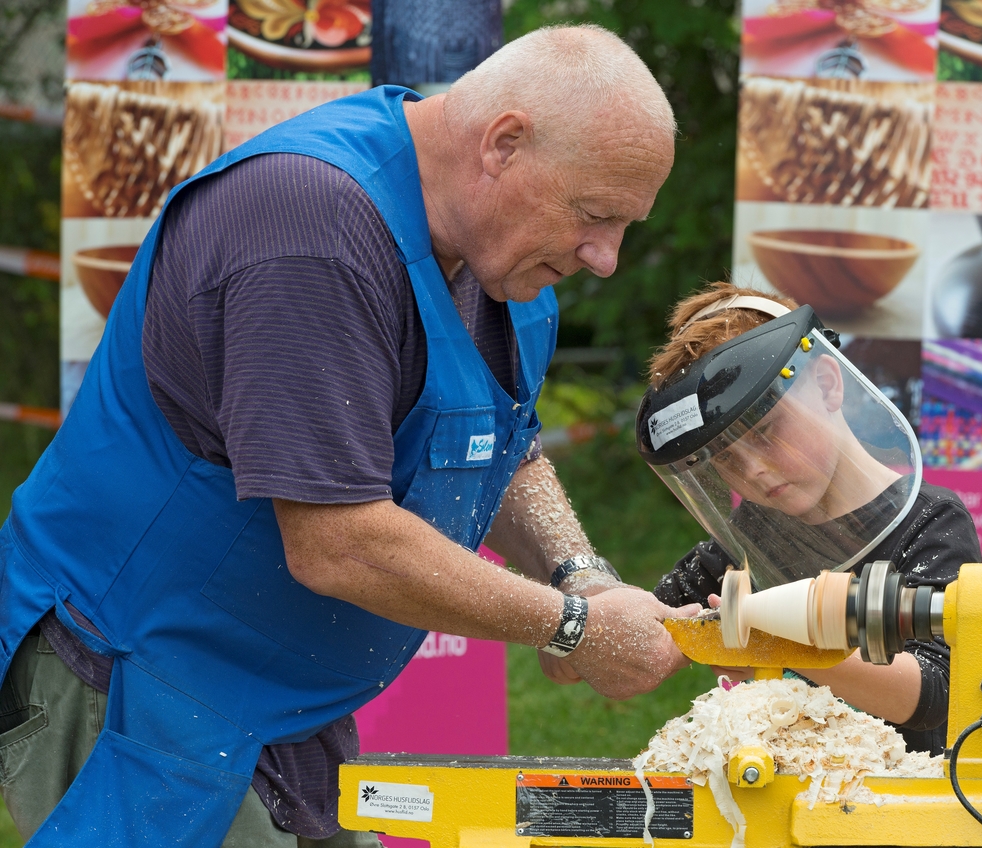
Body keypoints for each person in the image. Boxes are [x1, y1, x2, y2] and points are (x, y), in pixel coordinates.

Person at [0, 25, 698, 848]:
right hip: (139, 681)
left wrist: (583, 577)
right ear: (503, 144)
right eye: (595, 215)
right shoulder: (309, 230)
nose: (606, 257)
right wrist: (570, 626)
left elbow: (500, 446)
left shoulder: (501, 252)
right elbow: (338, 541)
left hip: (279, 696)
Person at [642, 282, 981, 755]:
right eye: (726, 458)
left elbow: (936, 692)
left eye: (765, 433)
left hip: (902, 803)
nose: (753, 471)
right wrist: (580, 617)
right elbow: (641, 629)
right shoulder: (750, 540)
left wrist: (775, 642)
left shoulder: (930, 524)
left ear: (827, 384)